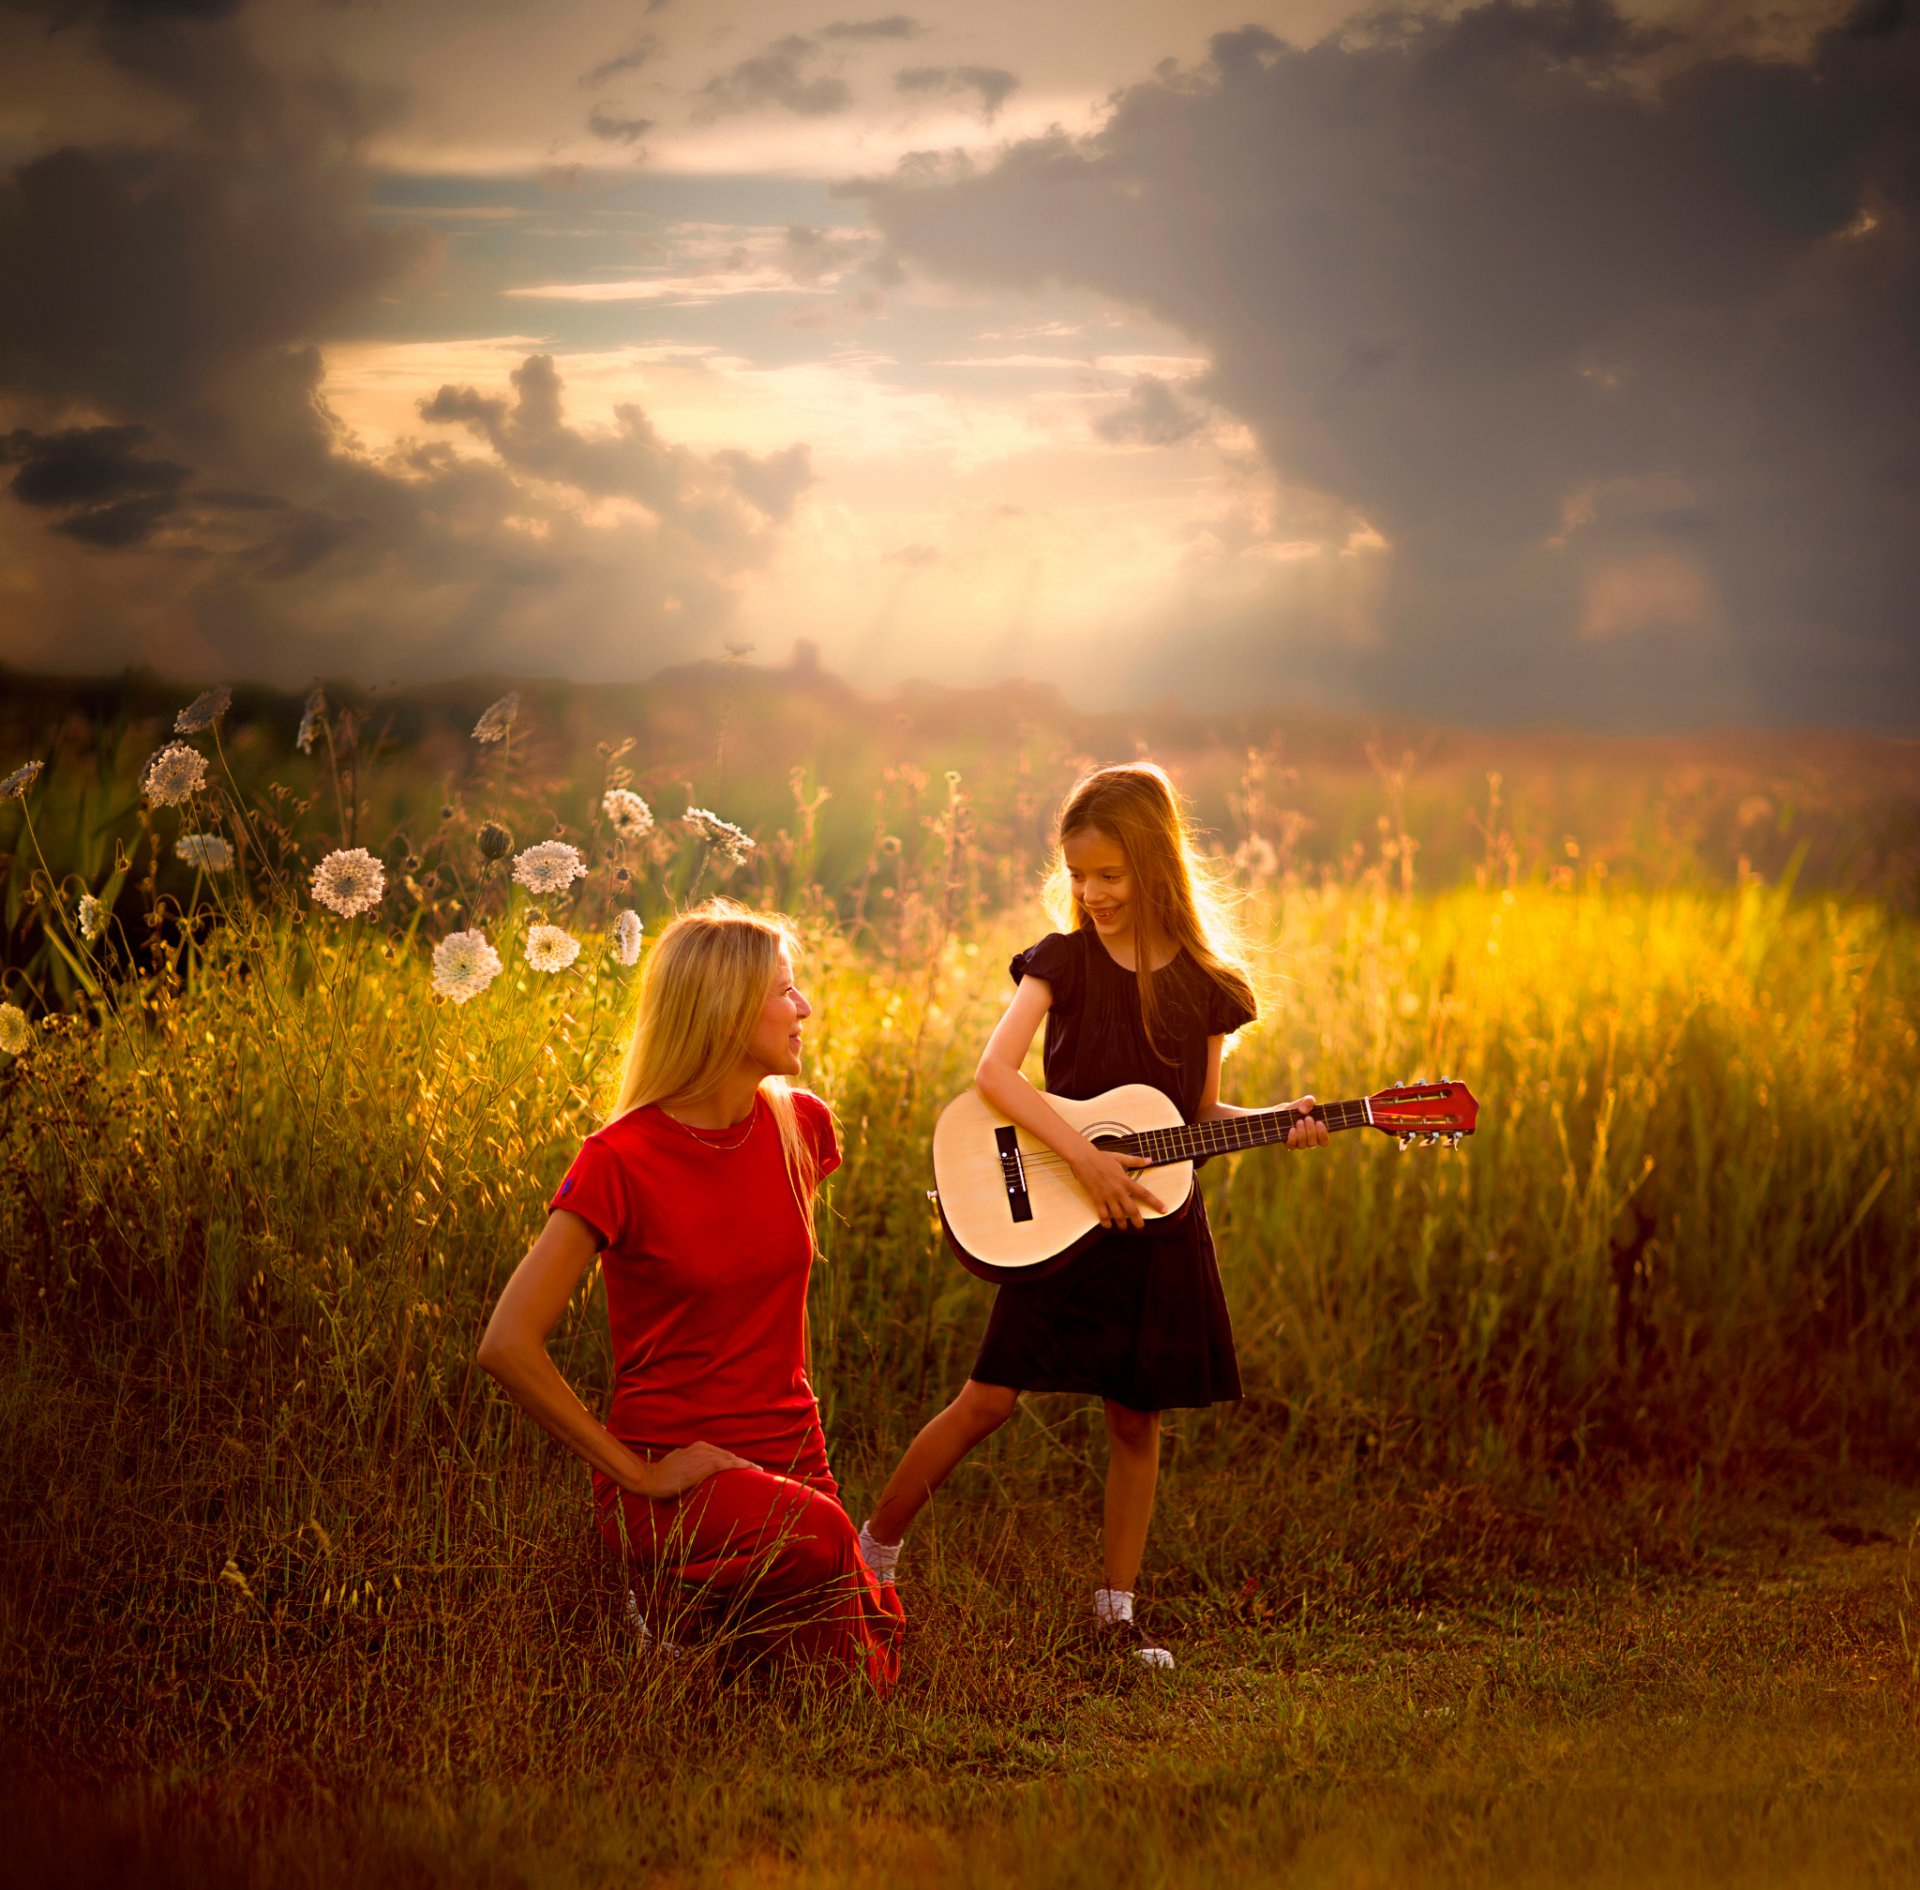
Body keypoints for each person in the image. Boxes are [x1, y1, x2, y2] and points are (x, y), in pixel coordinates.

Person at [857, 762, 1328, 1667]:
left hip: (1156, 1223)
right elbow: (995, 1076)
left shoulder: (1206, 987)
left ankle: (1115, 1614)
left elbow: (1193, 1119)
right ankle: (871, 1554)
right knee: (989, 1398)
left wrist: (1285, 1125)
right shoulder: (1061, 961)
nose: (1091, 893)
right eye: (1078, 874)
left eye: (1108, 875)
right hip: (1063, 1210)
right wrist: (1083, 1158)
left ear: (1154, 865)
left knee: (1135, 1417)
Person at [477, 898, 902, 1690]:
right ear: (726, 1008)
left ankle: (722, 1610)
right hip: (671, 1467)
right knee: (819, 1540)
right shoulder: (620, 1159)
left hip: (789, 1455)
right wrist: (636, 1475)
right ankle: (662, 1586)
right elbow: (506, 1343)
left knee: (861, 1685)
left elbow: (772, 1302)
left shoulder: (800, 1127)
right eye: (786, 990)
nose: (803, 1006)